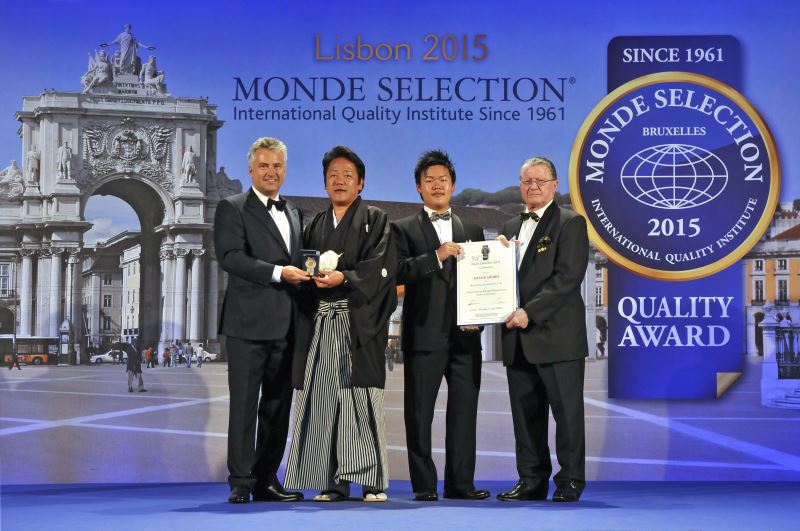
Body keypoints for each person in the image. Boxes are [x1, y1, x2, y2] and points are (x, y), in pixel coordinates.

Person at [284, 146, 397, 503]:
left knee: (360, 398)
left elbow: (383, 267)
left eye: (347, 174)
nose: (339, 180)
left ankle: (372, 480)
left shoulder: (375, 218)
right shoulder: (315, 224)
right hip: (322, 321)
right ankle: (332, 481)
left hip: (357, 321)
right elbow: (306, 269)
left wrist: (345, 277)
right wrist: (308, 279)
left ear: (360, 183)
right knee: (323, 400)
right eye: (333, 174)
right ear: (324, 182)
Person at [214, 136, 308, 504]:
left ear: (285, 171)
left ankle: (267, 479)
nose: (272, 172)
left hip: (287, 326)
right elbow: (231, 257)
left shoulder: (296, 212)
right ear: (251, 169)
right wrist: (278, 273)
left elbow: (299, 260)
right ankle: (240, 480)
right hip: (247, 326)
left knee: (277, 407)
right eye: (264, 165)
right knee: (244, 407)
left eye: (278, 166)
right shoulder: (231, 207)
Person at [391, 150, 488, 502]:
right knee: (419, 414)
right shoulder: (401, 229)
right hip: (424, 334)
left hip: (466, 337)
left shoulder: (473, 229)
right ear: (418, 187)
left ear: (453, 186)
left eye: (442, 180)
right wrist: (437, 256)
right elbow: (398, 273)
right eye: (429, 180)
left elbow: (483, 280)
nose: (436, 185)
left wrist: (481, 313)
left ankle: (461, 483)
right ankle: (424, 485)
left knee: (464, 413)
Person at [495, 156, 589, 503]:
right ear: (520, 186)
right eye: (526, 181)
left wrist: (528, 313)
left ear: (554, 185)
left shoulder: (571, 223)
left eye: (539, 181)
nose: (533, 187)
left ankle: (570, 481)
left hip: (557, 335)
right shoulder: (507, 226)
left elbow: (566, 279)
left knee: (567, 415)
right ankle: (531, 480)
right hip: (517, 338)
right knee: (525, 416)